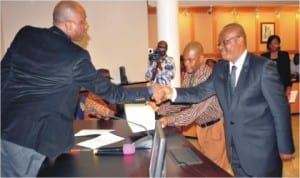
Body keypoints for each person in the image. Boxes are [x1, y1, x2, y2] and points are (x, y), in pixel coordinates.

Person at [1, 1, 153, 174]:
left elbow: (3, 77)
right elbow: (113, 94)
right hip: (32, 145)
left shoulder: (25, 34)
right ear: (69, 24)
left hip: (6, 130)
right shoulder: (76, 56)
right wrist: (150, 91)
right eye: (83, 21)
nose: (87, 26)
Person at [152, 23, 294, 177]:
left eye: (224, 42)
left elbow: (280, 109)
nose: (220, 47)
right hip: (234, 150)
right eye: (219, 43)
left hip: (261, 151)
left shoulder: (262, 67)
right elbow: (198, 92)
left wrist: (285, 146)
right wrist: (171, 92)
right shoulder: (220, 69)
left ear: (240, 40)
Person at [149, 41, 228, 170]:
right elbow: (182, 101)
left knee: (216, 170)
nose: (186, 64)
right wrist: (160, 109)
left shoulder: (207, 77)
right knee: (206, 167)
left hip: (215, 128)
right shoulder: (189, 74)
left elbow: (193, 112)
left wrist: (167, 120)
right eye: (184, 60)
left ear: (201, 59)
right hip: (202, 127)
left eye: (191, 60)